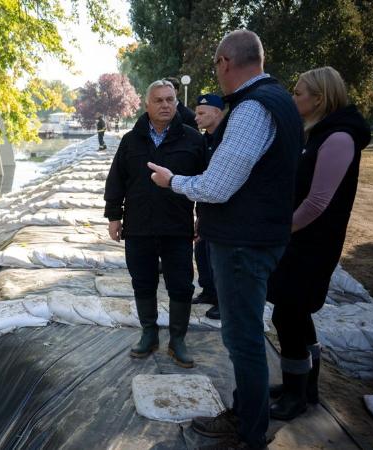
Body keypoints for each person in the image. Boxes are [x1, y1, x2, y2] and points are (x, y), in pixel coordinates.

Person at [147, 30, 302, 449]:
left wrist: (172, 180)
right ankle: (247, 415)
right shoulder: (280, 101)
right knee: (246, 334)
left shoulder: (252, 109)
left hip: (242, 244)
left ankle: (247, 430)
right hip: (258, 235)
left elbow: (218, 185)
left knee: (243, 338)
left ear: (224, 62)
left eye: (215, 67)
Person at [267, 66, 371, 420]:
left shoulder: (339, 137)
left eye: (298, 93)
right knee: (294, 313)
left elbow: (317, 202)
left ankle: (297, 394)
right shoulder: (318, 133)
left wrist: (280, 230)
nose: (293, 97)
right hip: (301, 240)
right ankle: (304, 384)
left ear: (319, 99)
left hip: (313, 244)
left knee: (288, 314)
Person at [104, 79, 207, 368]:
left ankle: (178, 340)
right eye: (159, 100)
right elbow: (116, 180)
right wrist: (114, 216)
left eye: (170, 100)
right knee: (143, 282)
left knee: (182, 285)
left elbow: (205, 183)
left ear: (177, 103)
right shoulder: (131, 141)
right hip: (139, 227)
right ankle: (149, 334)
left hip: (177, 227)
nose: (165, 105)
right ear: (146, 104)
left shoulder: (192, 140)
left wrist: (203, 217)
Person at [192, 93, 225, 321]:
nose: (196, 117)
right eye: (196, 113)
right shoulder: (204, 140)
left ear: (217, 113)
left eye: (202, 113)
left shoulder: (227, 140)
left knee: (219, 258)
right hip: (205, 208)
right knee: (201, 252)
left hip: (223, 210)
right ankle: (208, 291)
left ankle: (224, 302)